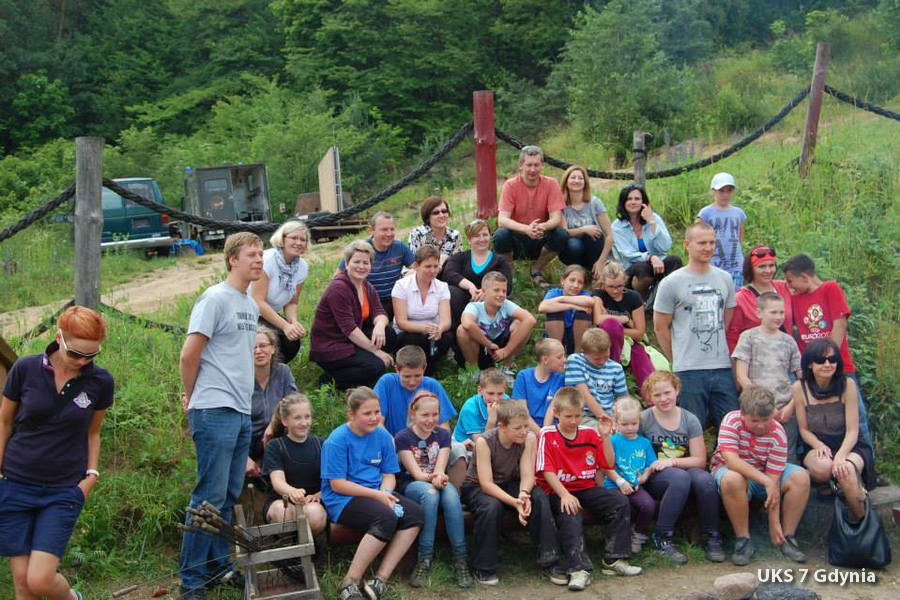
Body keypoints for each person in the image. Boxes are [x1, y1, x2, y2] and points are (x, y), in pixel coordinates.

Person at [0, 306, 113, 600]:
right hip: (15, 483)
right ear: (58, 337)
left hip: (63, 489)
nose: (82, 361)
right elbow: (5, 421)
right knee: (23, 584)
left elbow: (93, 432)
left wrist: (91, 476)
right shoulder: (25, 368)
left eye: (91, 355)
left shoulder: (100, 381)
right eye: (75, 353)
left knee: (40, 580)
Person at [179, 232, 264, 598]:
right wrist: (191, 396)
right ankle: (191, 582)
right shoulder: (214, 298)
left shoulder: (250, 304)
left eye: (261, 254)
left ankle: (218, 568)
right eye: (252, 254)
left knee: (228, 495)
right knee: (208, 498)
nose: (259, 260)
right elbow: (189, 355)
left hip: (241, 411)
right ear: (233, 260)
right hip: (214, 408)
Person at [323, 387, 424, 600]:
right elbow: (337, 484)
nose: (374, 418)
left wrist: (385, 493)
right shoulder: (337, 440)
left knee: (415, 514)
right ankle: (349, 582)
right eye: (367, 413)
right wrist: (378, 496)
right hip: (343, 498)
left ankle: (380, 579)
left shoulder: (383, 436)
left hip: (377, 492)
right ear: (351, 414)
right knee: (385, 516)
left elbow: (389, 475)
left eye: (377, 412)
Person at [537, 387, 641, 591]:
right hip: (559, 490)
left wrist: (605, 437)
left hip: (585, 487)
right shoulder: (547, 434)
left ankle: (614, 559)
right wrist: (565, 495)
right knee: (570, 511)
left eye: (577, 416)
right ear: (556, 413)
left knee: (619, 502)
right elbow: (546, 470)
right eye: (568, 416)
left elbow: (608, 464)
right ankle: (578, 569)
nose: (574, 421)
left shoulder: (589, 433)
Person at [460, 401, 558, 586]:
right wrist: (514, 502)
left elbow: (528, 475)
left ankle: (549, 559)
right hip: (477, 486)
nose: (523, 431)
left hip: (509, 482)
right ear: (502, 426)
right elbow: (486, 484)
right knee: (491, 506)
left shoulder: (529, 439)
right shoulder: (484, 442)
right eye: (517, 428)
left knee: (538, 497)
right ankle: (484, 567)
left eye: (526, 426)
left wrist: (523, 495)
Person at [782, 253, 874, 450]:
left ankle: (866, 460)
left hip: (839, 367)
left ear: (804, 277)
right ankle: (818, 459)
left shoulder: (830, 288)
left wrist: (830, 360)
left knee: (857, 416)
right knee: (811, 419)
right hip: (811, 371)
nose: (790, 287)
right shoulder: (795, 299)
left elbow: (839, 325)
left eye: (791, 281)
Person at [710, 386, 810, 566]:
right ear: (743, 414)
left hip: (766, 475)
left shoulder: (778, 432)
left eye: (766, 420)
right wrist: (765, 480)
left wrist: (774, 522)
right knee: (733, 479)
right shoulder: (731, 421)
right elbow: (732, 461)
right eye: (754, 420)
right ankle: (743, 539)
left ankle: (786, 537)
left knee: (800, 477)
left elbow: (774, 479)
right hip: (732, 471)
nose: (761, 425)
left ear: (773, 414)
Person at [654, 220, 738, 429]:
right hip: (688, 368)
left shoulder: (725, 278)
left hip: (721, 365)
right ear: (687, 245)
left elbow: (727, 317)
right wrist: (676, 358)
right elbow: (660, 327)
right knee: (693, 427)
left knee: (730, 426)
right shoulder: (671, 283)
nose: (708, 248)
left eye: (712, 242)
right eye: (702, 243)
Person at [639, 372, 725, 563]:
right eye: (657, 395)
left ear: (677, 390)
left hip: (681, 467)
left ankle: (711, 535)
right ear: (649, 397)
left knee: (705, 481)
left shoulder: (689, 419)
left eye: (667, 392)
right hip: (653, 474)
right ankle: (662, 537)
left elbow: (699, 460)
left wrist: (673, 462)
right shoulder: (643, 419)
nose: (663, 399)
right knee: (680, 478)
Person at [394, 391, 472, 588]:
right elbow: (416, 473)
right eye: (425, 415)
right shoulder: (403, 437)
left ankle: (461, 559)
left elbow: (440, 467)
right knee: (430, 496)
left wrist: (439, 477)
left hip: (437, 480)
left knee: (452, 496)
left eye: (435, 414)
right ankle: (424, 558)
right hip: (412, 484)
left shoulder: (443, 435)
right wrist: (435, 479)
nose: (430, 420)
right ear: (413, 414)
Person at [793, 339, 874, 521]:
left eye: (832, 359)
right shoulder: (799, 388)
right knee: (825, 468)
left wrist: (841, 456)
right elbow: (804, 429)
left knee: (845, 470)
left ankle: (862, 522)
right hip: (817, 444)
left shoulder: (847, 384)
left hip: (850, 443)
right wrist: (818, 444)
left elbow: (853, 430)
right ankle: (831, 484)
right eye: (821, 360)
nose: (827, 364)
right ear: (810, 364)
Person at [372, 346, 465, 489]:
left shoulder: (432, 385)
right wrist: (394, 442)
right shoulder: (386, 382)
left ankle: (453, 492)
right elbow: (378, 423)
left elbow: (444, 427)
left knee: (459, 450)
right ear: (397, 369)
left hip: (430, 446)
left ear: (424, 368)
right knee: (384, 450)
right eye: (407, 376)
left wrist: (436, 450)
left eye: (417, 376)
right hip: (398, 445)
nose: (412, 382)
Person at [311, 240, 396, 390]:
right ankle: (330, 379)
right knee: (376, 366)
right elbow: (349, 329)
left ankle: (359, 362)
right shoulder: (339, 288)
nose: (361, 266)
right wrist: (376, 351)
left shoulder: (366, 286)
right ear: (347, 263)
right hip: (332, 345)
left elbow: (380, 312)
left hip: (350, 340)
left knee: (388, 335)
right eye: (356, 262)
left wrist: (380, 325)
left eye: (366, 262)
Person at [731, 293, 802, 460]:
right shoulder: (748, 337)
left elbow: (802, 378)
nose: (779, 317)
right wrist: (766, 406)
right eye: (773, 312)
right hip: (756, 410)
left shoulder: (789, 341)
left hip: (784, 410)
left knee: (786, 456)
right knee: (754, 455)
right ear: (759, 313)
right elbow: (741, 376)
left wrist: (791, 406)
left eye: (781, 312)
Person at [493, 145, 568, 289]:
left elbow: (556, 218)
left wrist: (542, 226)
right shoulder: (510, 185)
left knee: (561, 235)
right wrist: (526, 229)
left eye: (536, 165)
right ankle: (510, 272)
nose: (533, 169)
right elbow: (502, 220)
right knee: (500, 235)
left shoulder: (551, 184)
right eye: (529, 165)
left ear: (542, 166)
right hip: (517, 237)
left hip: (541, 234)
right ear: (521, 165)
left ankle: (536, 270)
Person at [603, 397, 668, 560]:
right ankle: (617, 540)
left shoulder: (644, 442)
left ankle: (639, 534)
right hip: (614, 485)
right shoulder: (612, 441)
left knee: (648, 505)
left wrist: (644, 477)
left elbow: (650, 464)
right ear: (616, 423)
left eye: (634, 423)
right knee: (621, 505)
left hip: (636, 485)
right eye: (624, 424)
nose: (630, 428)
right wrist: (621, 482)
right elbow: (606, 466)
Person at [261, 394, 327, 537]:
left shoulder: (321, 444)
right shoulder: (275, 446)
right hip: (282, 500)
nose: (304, 423)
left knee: (314, 513)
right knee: (283, 512)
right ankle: (285, 543)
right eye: (297, 418)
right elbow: (278, 481)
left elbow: (332, 479)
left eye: (307, 417)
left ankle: (311, 542)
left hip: (312, 501)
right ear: (285, 421)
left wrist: (320, 494)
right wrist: (292, 492)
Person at [439, 218, 514, 335]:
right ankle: (455, 334)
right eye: (476, 236)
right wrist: (470, 286)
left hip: (489, 304)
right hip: (463, 302)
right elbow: (448, 273)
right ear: (469, 239)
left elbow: (507, 285)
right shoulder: (459, 257)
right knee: (451, 291)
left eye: (485, 235)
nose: (482, 239)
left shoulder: (499, 261)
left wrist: (487, 293)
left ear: (490, 237)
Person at [337, 212, 415, 322]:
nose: (389, 234)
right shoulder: (361, 249)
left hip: (393, 299)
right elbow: (338, 276)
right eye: (384, 230)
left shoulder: (399, 247)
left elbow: (417, 268)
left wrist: (412, 272)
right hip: (368, 301)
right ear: (372, 230)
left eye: (392, 229)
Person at [611, 183, 680, 305]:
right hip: (632, 268)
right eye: (629, 199)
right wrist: (651, 257)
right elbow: (627, 254)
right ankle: (642, 304)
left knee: (675, 260)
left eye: (637, 199)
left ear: (644, 202)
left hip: (658, 264)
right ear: (623, 202)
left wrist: (652, 222)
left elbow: (665, 247)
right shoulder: (617, 226)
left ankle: (669, 302)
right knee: (642, 268)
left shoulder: (654, 218)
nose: (633, 202)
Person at [252, 221, 310, 363]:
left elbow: (292, 302)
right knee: (273, 337)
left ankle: (274, 370)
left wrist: (293, 323)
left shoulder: (302, 267)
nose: (298, 243)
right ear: (282, 239)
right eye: (294, 238)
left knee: (292, 341)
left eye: (303, 240)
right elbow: (258, 301)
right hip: (250, 311)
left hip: (269, 313)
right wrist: (284, 326)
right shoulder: (267, 260)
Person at [593, 261, 657, 390]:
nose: (615, 290)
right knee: (611, 324)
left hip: (630, 341)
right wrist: (624, 319)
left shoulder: (633, 297)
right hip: (606, 341)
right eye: (611, 286)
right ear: (603, 283)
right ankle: (612, 369)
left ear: (625, 282)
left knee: (645, 370)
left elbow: (639, 333)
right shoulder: (599, 295)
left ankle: (652, 397)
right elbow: (598, 319)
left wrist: (617, 330)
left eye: (619, 286)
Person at [391, 245, 452, 374]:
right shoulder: (401, 285)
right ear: (416, 266)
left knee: (447, 337)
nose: (432, 271)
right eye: (428, 266)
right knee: (414, 339)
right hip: (408, 333)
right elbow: (401, 322)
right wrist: (424, 328)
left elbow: (446, 321)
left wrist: (439, 329)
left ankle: (429, 366)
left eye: (435, 266)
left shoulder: (442, 286)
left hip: (432, 333)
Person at [457, 271, 536, 371]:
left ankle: (506, 368)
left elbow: (530, 319)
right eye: (496, 290)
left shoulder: (506, 304)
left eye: (504, 291)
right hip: (480, 347)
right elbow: (467, 324)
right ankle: (474, 372)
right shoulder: (474, 307)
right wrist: (489, 344)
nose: (501, 294)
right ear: (484, 291)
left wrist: (507, 350)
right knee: (462, 330)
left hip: (501, 348)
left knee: (521, 323)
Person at [247, 327, 297, 478]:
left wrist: (274, 423)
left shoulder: (283, 372)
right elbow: (231, 421)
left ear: (273, 348)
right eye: (253, 347)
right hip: (247, 441)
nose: (258, 351)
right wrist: (242, 457)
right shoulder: (240, 378)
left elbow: (294, 403)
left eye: (263, 346)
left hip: (277, 436)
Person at [725, 245, 794, 352]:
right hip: (756, 358)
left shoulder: (785, 288)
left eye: (771, 265)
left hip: (786, 355)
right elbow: (732, 337)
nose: (768, 270)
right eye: (762, 267)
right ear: (751, 269)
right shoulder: (741, 299)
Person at [557, 165, 613, 280]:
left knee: (596, 235)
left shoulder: (595, 202)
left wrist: (601, 261)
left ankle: (595, 273)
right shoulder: (561, 204)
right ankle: (577, 273)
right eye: (573, 177)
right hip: (571, 250)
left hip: (595, 248)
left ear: (585, 182)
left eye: (580, 178)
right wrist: (584, 229)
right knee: (574, 245)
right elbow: (564, 232)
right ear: (566, 181)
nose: (577, 181)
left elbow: (609, 235)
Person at [564, 328, 627, 428]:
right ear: (583, 351)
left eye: (606, 357)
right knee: (600, 432)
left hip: (611, 416)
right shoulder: (575, 361)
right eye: (597, 359)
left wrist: (620, 419)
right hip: (583, 415)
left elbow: (622, 399)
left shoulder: (616, 368)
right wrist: (605, 419)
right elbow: (584, 394)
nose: (602, 362)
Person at [698, 172, 746, 289]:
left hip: (735, 265)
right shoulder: (706, 213)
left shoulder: (739, 213)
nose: (725, 195)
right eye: (721, 191)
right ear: (713, 191)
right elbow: (696, 236)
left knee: (735, 296)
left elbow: (740, 237)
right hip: (713, 264)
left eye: (729, 191)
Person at [539, 264, 600, 354]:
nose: (575, 285)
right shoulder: (555, 293)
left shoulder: (583, 294)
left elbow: (590, 301)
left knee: (583, 312)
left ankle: (577, 354)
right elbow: (542, 307)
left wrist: (562, 300)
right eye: (572, 280)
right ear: (562, 280)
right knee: (554, 310)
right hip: (555, 336)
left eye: (580, 282)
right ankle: (557, 352)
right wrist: (572, 306)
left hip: (576, 337)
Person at [511, 338, 566, 435]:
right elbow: (522, 410)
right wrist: (540, 433)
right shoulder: (523, 377)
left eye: (564, 356)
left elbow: (552, 410)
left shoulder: (560, 379)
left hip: (551, 427)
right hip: (527, 426)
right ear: (545, 359)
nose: (564, 360)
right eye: (559, 357)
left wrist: (545, 433)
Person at [452, 368, 509, 445]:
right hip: (466, 444)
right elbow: (482, 444)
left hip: (493, 442)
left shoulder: (506, 401)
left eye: (500, 394)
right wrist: (491, 420)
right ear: (480, 390)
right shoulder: (470, 409)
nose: (495, 399)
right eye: (490, 393)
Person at [408, 196, 461, 266]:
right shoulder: (417, 234)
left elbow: (459, 262)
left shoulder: (454, 235)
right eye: (436, 212)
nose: (441, 215)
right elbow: (413, 263)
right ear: (427, 216)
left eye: (444, 211)